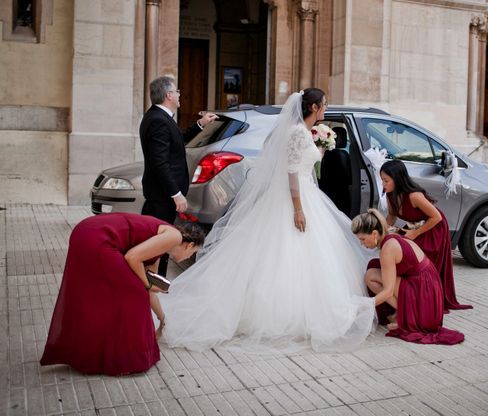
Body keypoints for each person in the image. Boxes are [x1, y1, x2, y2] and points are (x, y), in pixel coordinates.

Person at [158, 89, 375, 352]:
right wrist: (297, 209)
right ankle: (282, 314)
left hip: (307, 195)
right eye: (325, 105)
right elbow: (292, 172)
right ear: (315, 107)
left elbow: (304, 165)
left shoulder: (306, 132)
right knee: (285, 251)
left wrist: (320, 147)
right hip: (295, 200)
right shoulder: (296, 132)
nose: (326, 109)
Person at [40, 213, 205, 376]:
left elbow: (147, 292)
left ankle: (92, 351)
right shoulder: (174, 236)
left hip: (84, 231)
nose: (189, 257)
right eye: (193, 253)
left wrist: (162, 319)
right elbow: (132, 258)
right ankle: (125, 359)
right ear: (189, 245)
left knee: (112, 296)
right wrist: (146, 285)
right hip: (97, 239)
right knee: (134, 294)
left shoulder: (159, 248)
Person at [140, 75, 217, 276]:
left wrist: (200, 124)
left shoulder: (161, 117)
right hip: (162, 197)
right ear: (168, 95)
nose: (179, 94)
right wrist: (175, 193)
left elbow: (177, 140)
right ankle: (154, 285)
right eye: (177, 91)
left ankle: (156, 284)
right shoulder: (158, 120)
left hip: (162, 196)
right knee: (158, 247)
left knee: (160, 245)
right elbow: (160, 163)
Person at [352, 209, 464, 345]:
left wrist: (362, 307)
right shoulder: (391, 236)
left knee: (371, 276)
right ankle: (402, 311)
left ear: (375, 233)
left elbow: (387, 291)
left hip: (425, 293)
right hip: (428, 287)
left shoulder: (388, 249)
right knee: (373, 266)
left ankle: (406, 315)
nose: (362, 244)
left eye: (362, 239)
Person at [377, 159, 472, 313]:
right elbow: (392, 216)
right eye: (382, 180)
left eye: (386, 180)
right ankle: (407, 297)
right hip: (417, 227)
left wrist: (415, 233)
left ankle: (425, 299)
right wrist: (382, 231)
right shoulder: (390, 195)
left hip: (434, 228)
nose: (383, 184)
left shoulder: (414, 196)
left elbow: (437, 217)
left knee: (419, 261)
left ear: (398, 179)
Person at [319, 126, 352, 216]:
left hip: (326, 189)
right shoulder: (343, 155)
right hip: (342, 192)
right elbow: (348, 178)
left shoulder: (324, 153)